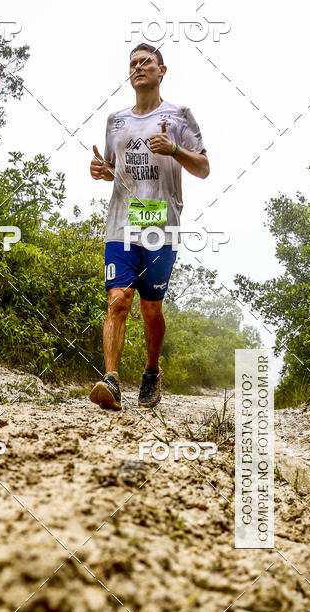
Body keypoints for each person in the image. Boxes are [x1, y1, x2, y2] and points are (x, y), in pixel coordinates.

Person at [89, 43, 210, 411]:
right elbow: (113, 168)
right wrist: (101, 171)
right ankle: (110, 379)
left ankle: (151, 371)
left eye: (147, 62)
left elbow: (204, 168)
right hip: (121, 224)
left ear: (162, 71)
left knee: (151, 308)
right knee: (118, 299)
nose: (139, 67)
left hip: (161, 225)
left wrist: (174, 150)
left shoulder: (180, 115)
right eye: (133, 63)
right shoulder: (115, 120)